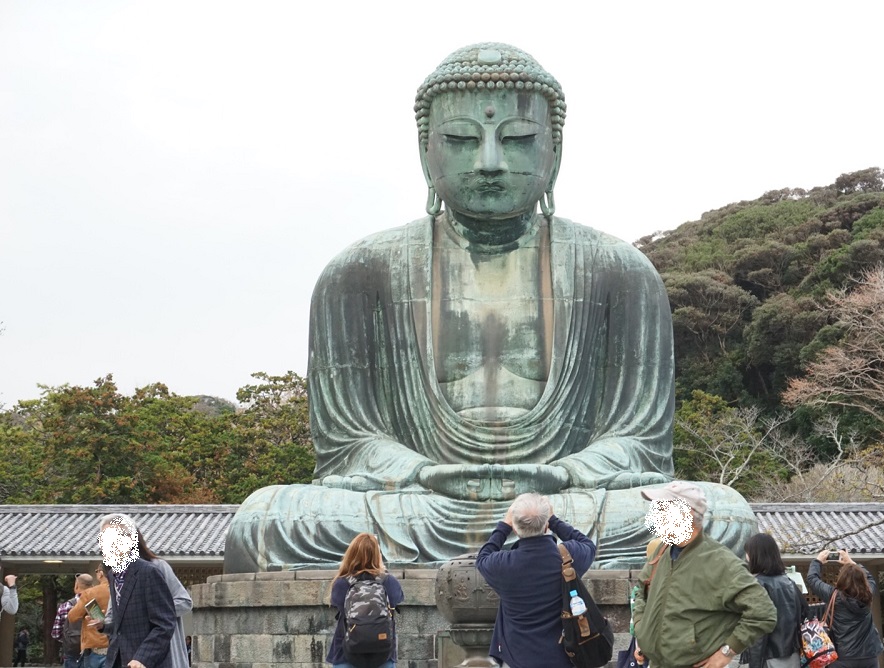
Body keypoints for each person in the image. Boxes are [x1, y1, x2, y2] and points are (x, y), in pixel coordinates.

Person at [222, 42, 759, 573]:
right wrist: (425, 473)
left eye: (519, 140)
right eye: (460, 140)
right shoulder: (360, 272)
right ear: (424, 149)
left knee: (723, 517)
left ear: (555, 150)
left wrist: (564, 474)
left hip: (570, 500)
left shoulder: (619, 270)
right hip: (419, 501)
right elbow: (348, 445)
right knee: (263, 521)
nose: (489, 163)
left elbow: (639, 443)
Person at [634, 482, 776, 668]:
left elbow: (763, 613)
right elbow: (641, 590)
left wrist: (726, 652)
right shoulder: (662, 551)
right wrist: (642, 630)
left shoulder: (720, 562)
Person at [475, 492, 596, 668]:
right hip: (563, 656)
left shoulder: (503, 564)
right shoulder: (568, 556)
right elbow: (588, 545)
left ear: (515, 529)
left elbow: (483, 557)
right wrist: (554, 520)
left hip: (517, 658)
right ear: (546, 525)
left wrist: (504, 525)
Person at [99, 514, 194, 668]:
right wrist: (103, 626)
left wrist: (142, 658)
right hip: (120, 656)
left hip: (148, 656)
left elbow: (167, 619)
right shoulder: (114, 574)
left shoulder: (153, 569)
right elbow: (119, 619)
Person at [326, 533, 403, 668]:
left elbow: (336, 603)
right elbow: (397, 600)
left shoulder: (342, 583)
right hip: (383, 654)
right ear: (377, 554)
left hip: (346, 654)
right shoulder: (388, 581)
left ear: (351, 554)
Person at [806, 550, 884, 668]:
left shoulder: (833, 595)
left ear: (841, 579)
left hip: (841, 657)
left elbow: (812, 579)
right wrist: (851, 562)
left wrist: (817, 561)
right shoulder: (868, 595)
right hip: (869, 656)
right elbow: (870, 578)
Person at [742, 533, 807, 668]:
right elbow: (805, 613)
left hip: (768, 657)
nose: (746, 557)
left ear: (755, 555)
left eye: (747, 553)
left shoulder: (757, 584)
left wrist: (754, 664)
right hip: (793, 655)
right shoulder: (789, 582)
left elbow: (758, 630)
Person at [69, 565, 111, 668]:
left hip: (95, 646)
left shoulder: (91, 593)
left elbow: (72, 616)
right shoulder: (121, 590)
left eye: (96, 571)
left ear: (101, 573)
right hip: (117, 646)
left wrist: (80, 594)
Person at [53, 573, 94, 668]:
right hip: (91, 651)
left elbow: (56, 633)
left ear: (76, 586)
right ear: (92, 586)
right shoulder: (94, 605)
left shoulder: (66, 606)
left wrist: (68, 640)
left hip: (71, 652)